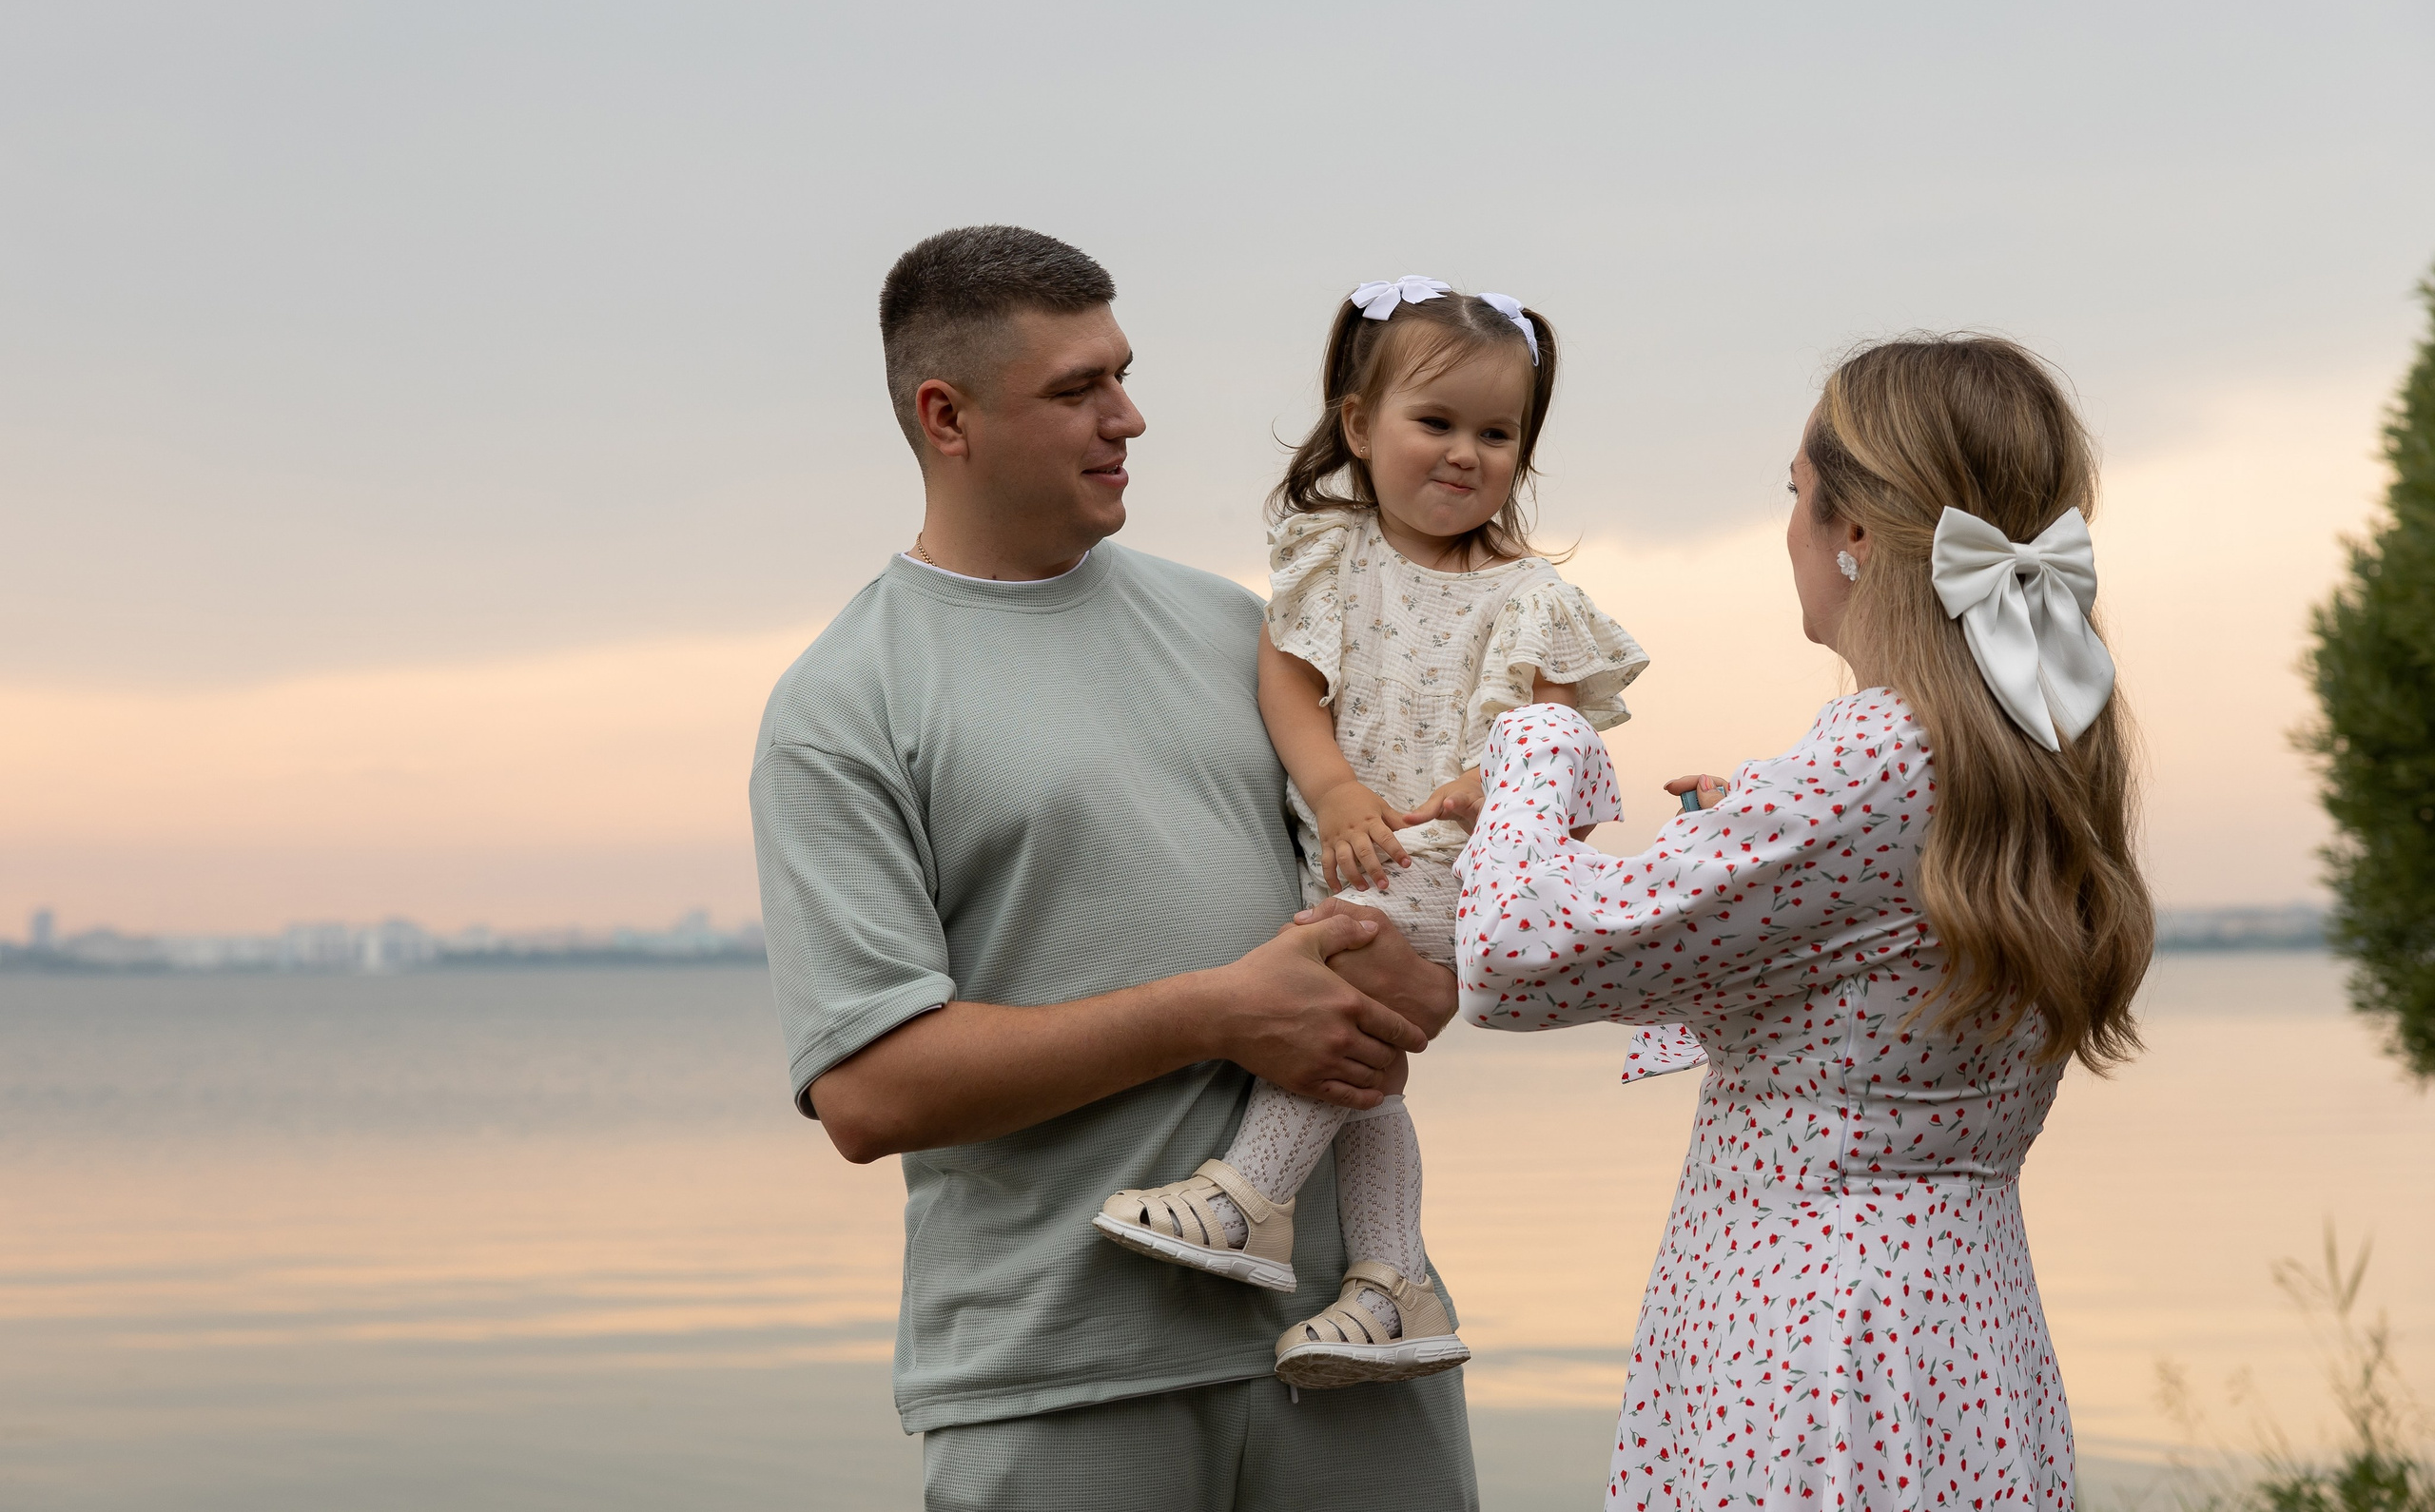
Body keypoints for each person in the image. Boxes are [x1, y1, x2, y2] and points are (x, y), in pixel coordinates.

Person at [749, 226, 1480, 1510]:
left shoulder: (1241, 633)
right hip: (1059, 1379)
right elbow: (868, 1090)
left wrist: (1436, 929)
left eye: (1123, 374)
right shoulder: (844, 705)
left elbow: (1410, 969)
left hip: (1353, 1356)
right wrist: (1217, 1012)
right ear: (946, 416)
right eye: (1078, 388)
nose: (1128, 415)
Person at [1451, 335, 2152, 1510]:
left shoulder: (1878, 750)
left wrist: (1542, 737)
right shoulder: (2039, 737)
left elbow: (1512, 955)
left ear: (1857, 531)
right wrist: (1746, 861)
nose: (1789, 526)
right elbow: (1880, 976)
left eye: (1794, 491)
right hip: (1961, 1336)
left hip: (1807, 1345)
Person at [1093, 276, 1654, 1392]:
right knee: (1364, 1068)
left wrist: (1474, 789)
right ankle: (1392, 1282)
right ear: (1359, 425)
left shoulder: (1529, 598)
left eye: (1496, 433)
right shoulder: (1330, 555)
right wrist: (1335, 786)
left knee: (1338, 992)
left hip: (1448, 870)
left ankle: (1250, 1194)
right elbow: (1289, 687)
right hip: (1353, 840)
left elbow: (1550, 749)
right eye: (1434, 422)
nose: (1465, 454)